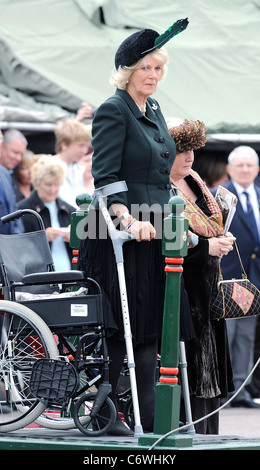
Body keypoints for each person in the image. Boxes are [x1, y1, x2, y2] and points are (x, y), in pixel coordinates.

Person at [78, 19, 189, 435]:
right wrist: (127, 218)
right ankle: (115, 413)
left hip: (157, 230)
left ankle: (150, 417)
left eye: (158, 68)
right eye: (146, 68)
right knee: (125, 328)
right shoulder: (113, 109)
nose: (153, 76)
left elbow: (162, 174)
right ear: (127, 71)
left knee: (150, 330)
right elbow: (105, 175)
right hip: (117, 234)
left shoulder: (155, 109)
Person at [169, 119, 235, 434]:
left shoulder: (195, 179)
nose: (189, 157)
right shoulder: (155, 187)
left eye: (193, 149)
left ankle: (210, 434)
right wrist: (206, 248)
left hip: (209, 290)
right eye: (181, 150)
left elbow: (212, 226)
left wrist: (221, 242)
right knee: (188, 372)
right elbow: (162, 243)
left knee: (211, 379)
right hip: (181, 289)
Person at [218, 145, 260, 408]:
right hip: (228, 278)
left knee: (246, 335)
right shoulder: (218, 197)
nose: (245, 169)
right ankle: (224, 391)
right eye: (240, 165)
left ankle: (241, 389)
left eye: (249, 165)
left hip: (254, 279)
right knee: (226, 334)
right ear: (229, 169)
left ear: (257, 169)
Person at [18, 155, 76, 271]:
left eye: (56, 184)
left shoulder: (69, 210)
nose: (53, 190)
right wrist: (42, 238)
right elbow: (16, 245)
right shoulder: (23, 210)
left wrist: (75, 239)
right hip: (37, 278)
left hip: (69, 275)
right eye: (48, 185)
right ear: (37, 183)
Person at [55, 119, 92, 206]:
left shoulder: (76, 169)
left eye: (86, 146)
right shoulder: (51, 167)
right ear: (64, 145)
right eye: (80, 145)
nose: (84, 150)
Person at [0, 129, 26, 233]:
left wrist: (16, 240)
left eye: (21, 154)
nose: (18, 158)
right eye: (15, 152)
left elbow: (14, 212)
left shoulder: (5, 174)